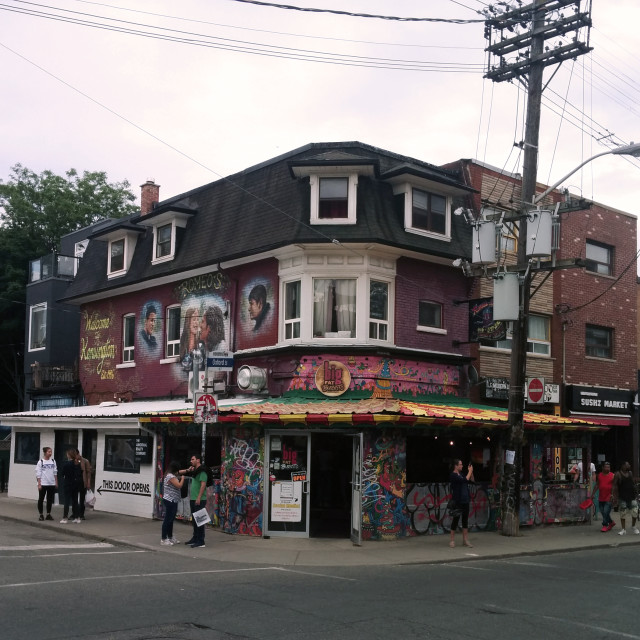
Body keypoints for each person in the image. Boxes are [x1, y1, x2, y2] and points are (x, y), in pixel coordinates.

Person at [179, 454, 208, 548]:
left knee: (200, 520)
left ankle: (201, 540)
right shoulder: (195, 471)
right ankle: (195, 538)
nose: (191, 461)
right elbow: (180, 472)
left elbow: (203, 485)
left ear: (198, 460)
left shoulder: (202, 471)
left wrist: (199, 497)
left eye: (193, 459)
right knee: (194, 520)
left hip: (199, 499)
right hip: (193, 498)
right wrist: (189, 470)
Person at [449, 458, 474, 548]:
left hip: (465, 500)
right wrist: (469, 472)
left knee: (465, 520)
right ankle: (452, 540)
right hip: (458, 501)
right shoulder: (453, 475)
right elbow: (464, 480)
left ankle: (465, 540)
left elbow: (471, 480)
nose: (462, 466)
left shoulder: (462, 474)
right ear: (456, 466)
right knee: (456, 520)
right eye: (460, 464)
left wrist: (471, 472)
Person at [161, 461, 185, 546]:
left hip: (173, 500)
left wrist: (188, 470)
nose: (178, 471)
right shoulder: (170, 476)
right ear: (175, 469)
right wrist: (182, 479)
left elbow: (180, 472)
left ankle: (170, 537)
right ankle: (164, 538)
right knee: (168, 519)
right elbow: (179, 485)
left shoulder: (169, 473)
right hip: (170, 500)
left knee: (171, 520)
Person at [612, 461, 639, 536]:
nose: (629, 465)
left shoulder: (630, 473)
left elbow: (633, 483)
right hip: (622, 497)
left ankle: (633, 526)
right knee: (623, 514)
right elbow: (614, 485)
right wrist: (613, 495)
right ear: (623, 466)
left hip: (632, 496)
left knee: (635, 512)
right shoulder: (618, 474)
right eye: (628, 465)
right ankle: (623, 529)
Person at [59, 447, 82, 524]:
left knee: (67, 501)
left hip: (68, 484)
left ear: (69, 455)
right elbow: (79, 474)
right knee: (75, 501)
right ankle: (77, 517)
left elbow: (62, 474)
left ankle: (65, 518)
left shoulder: (67, 464)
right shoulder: (78, 464)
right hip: (76, 485)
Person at [35, 446, 57, 521]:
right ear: (45, 452)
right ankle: (41, 514)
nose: (50, 453)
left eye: (51, 452)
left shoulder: (53, 461)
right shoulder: (41, 462)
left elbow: (55, 472)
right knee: (41, 499)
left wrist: (56, 482)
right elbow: (38, 473)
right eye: (49, 452)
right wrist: (39, 484)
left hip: (51, 483)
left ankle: (48, 514)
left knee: (50, 499)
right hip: (43, 483)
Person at [596, 461, 615, 532]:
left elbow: (614, 486)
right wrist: (592, 495)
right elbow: (597, 485)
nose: (608, 468)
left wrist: (613, 495)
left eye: (609, 467)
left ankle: (604, 525)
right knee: (603, 512)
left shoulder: (613, 475)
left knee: (606, 511)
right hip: (601, 497)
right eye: (606, 467)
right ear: (602, 468)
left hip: (609, 497)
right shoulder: (599, 475)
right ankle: (611, 522)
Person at [75, 449, 92, 520]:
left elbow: (88, 472)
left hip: (83, 482)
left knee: (82, 499)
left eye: (75, 454)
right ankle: (75, 513)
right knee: (75, 499)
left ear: (78, 454)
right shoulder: (73, 461)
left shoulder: (85, 461)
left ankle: (81, 514)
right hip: (75, 482)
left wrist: (88, 482)